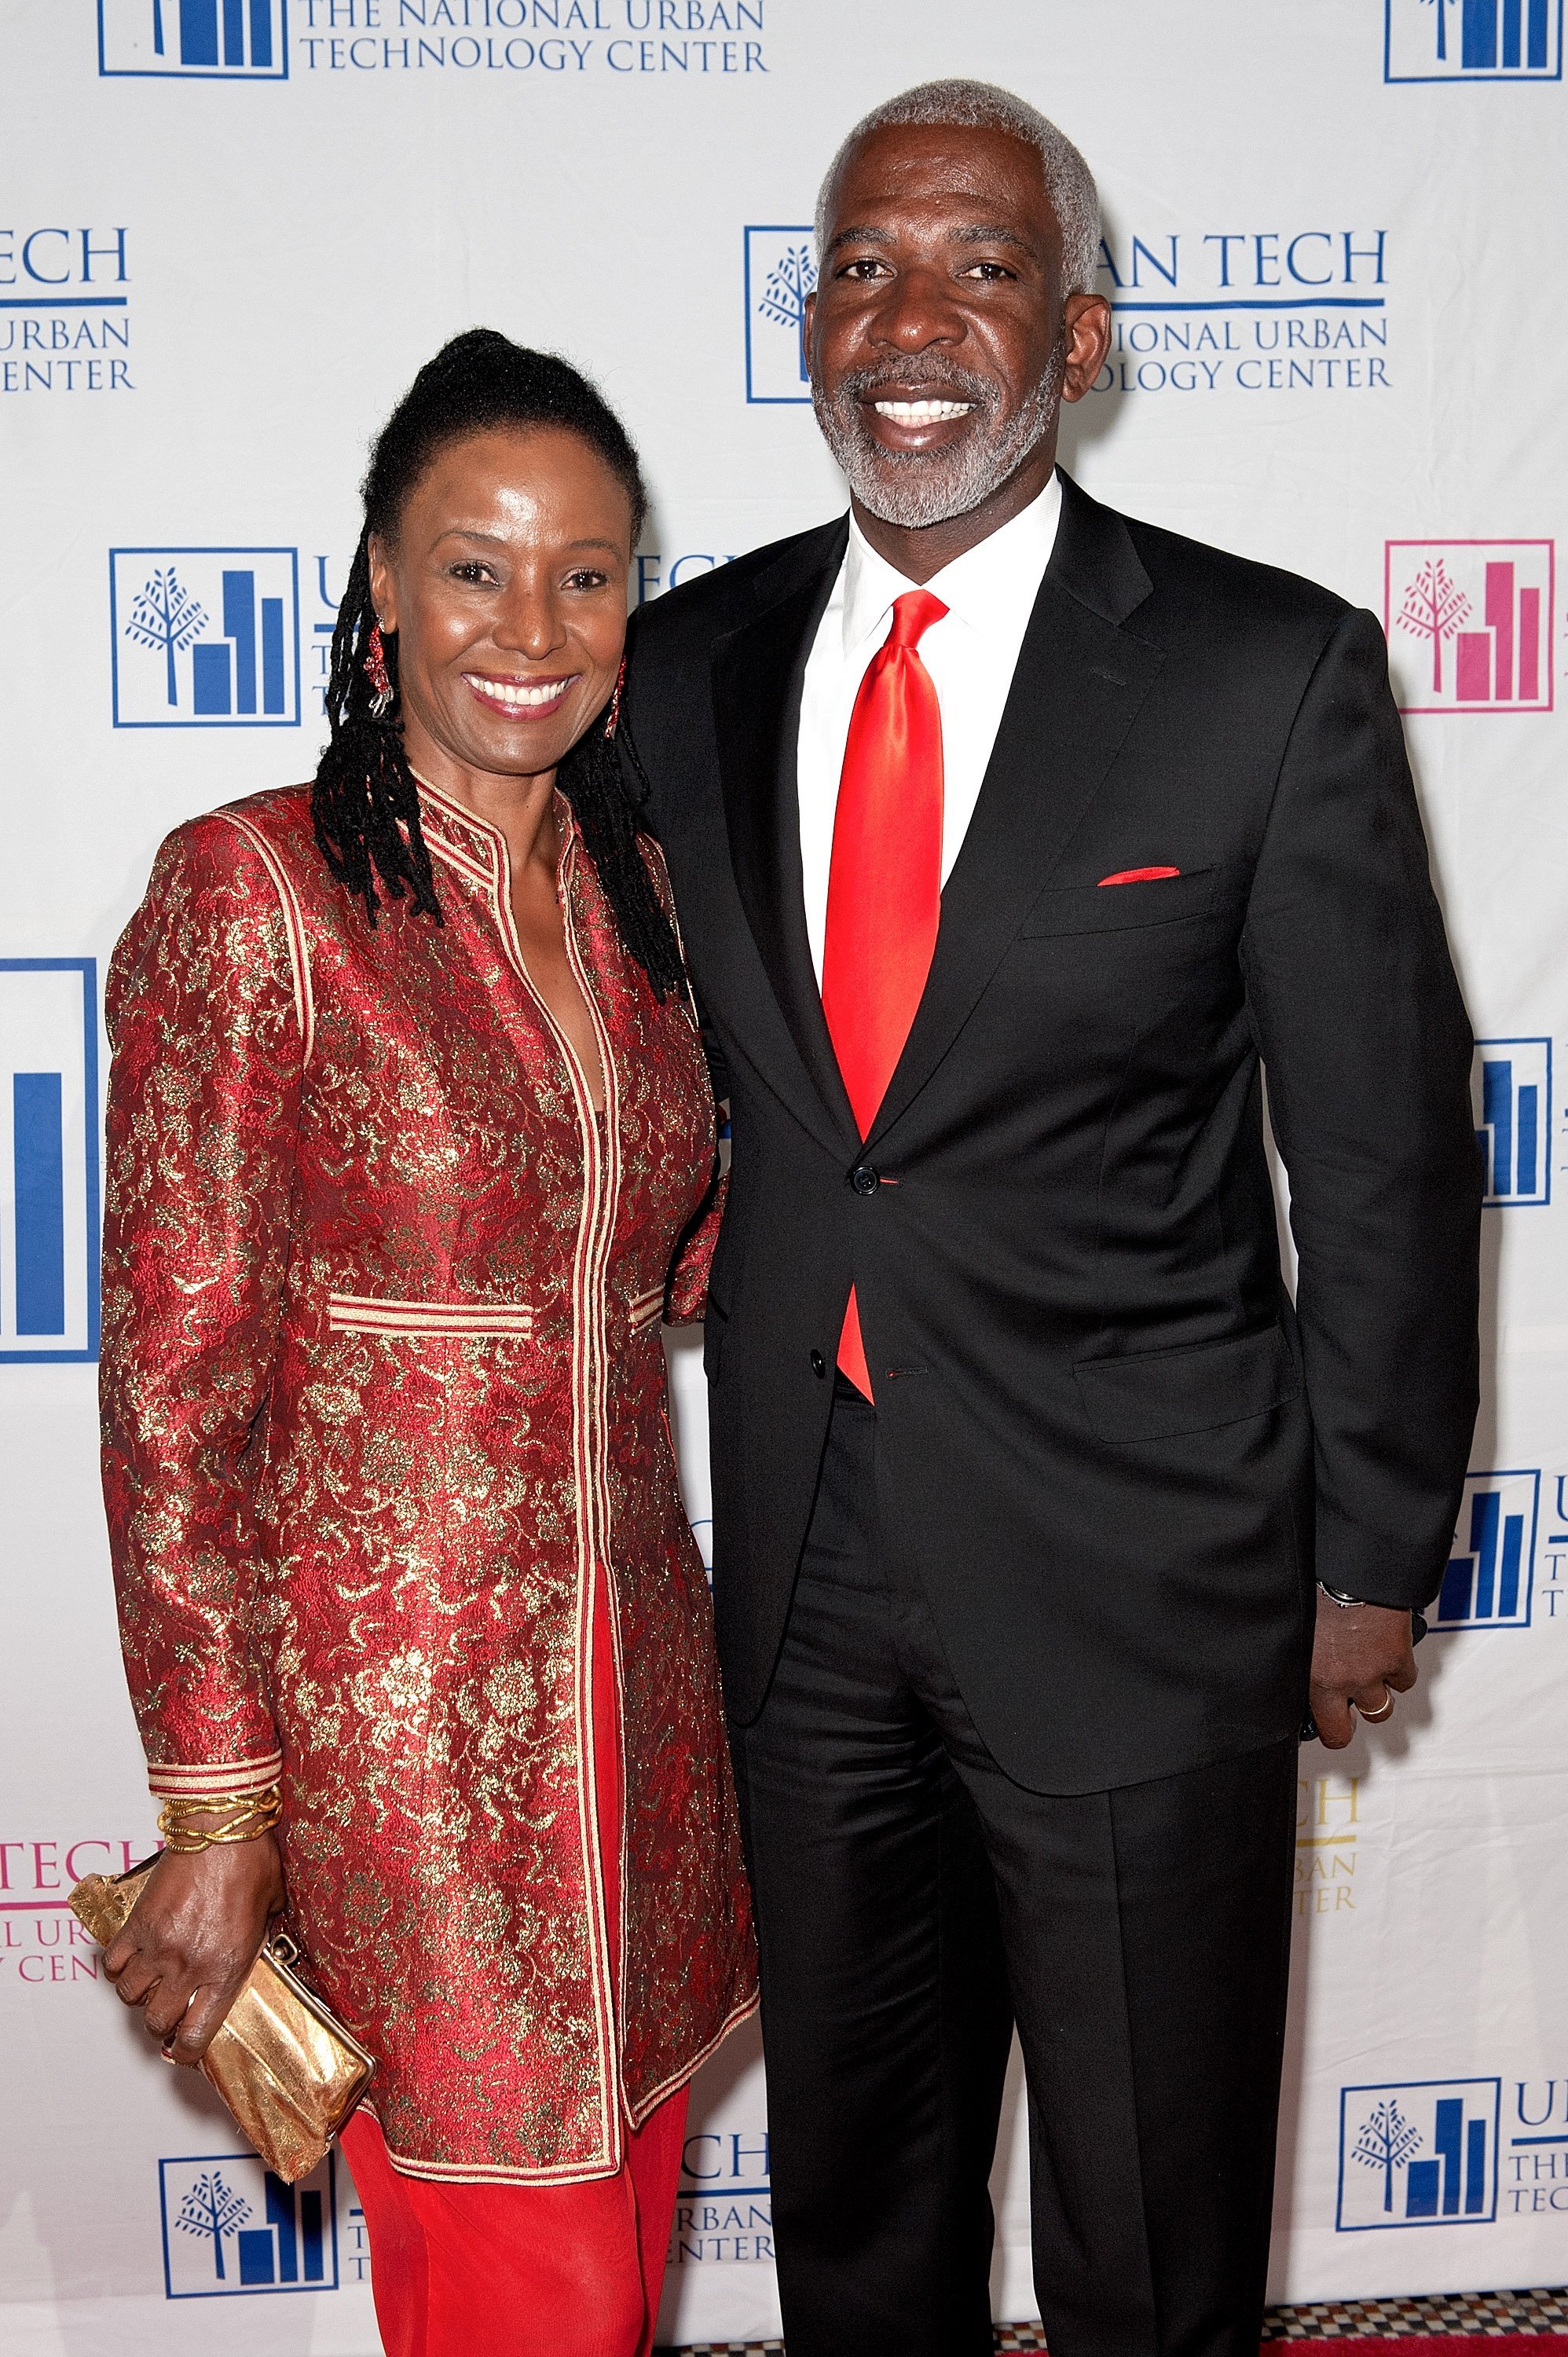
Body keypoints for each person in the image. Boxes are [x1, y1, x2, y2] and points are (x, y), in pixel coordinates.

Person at [621, 79, 1482, 2357]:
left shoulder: (1255, 672)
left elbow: (1383, 1154)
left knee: (1147, 2243)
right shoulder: (682, 671)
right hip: (801, 1588)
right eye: (861, 266)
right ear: (805, 321)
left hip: (1146, 1579)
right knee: (859, 2216)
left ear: (1076, 334)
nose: (910, 319)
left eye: (980, 265)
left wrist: (1368, 1557)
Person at [97, 329, 756, 2357]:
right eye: (474, 567)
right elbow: (169, 1400)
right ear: (376, 582)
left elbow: (677, 1262)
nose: (532, 625)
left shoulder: (643, 895)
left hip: (647, 1742)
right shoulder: (258, 894)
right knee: (519, 2301)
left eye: (586, 572)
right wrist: (219, 1813)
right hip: (407, 1800)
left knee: (610, 2283)